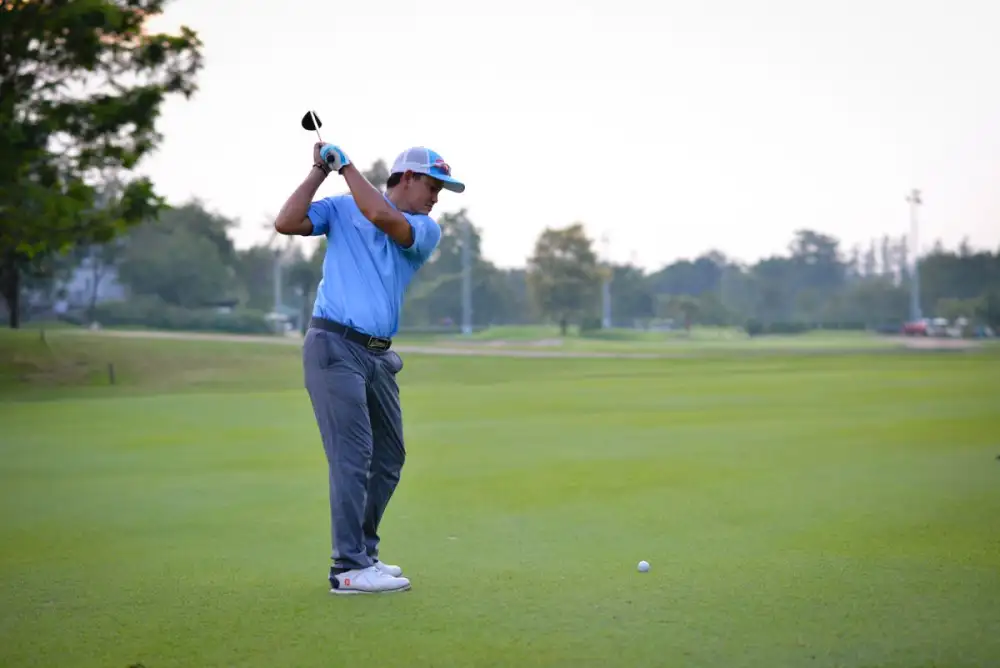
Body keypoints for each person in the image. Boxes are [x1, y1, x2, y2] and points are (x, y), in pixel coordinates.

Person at [273, 141, 465, 594]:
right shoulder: (341, 208)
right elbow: (286, 222)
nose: (436, 198)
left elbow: (380, 215)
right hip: (334, 346)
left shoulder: (424, 228)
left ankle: (364, 553)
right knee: (353, 456)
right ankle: (348, 567)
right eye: (432, 186)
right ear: (407, 178)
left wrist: (346, 166)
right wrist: (321, 170)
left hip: (379, 357)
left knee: (389, 457)